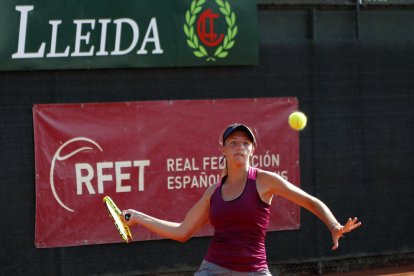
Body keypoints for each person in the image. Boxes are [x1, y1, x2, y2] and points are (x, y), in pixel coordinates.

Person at [121, 123, 361, 275]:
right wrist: (139, 218)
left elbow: (310, 201)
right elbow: (182, 231)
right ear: (223, 150)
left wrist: (334, 225)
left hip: (254, 270)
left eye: (245, 143)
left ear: (252, 150)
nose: (240, 147)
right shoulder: (213, 192)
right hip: (214, 268)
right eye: (233, 143)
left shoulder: (265, 181)